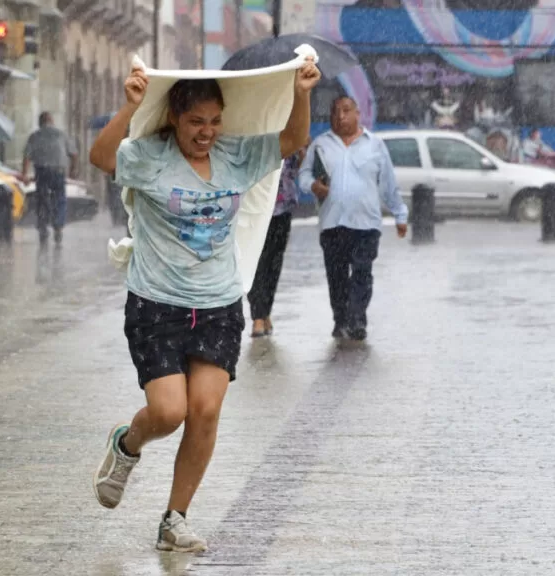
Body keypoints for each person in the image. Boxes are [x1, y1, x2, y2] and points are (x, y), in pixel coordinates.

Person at [87, 58, 320, 552]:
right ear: (175, 117)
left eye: (214, 121)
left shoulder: (236, 155)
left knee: (206, 411)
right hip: (157, 304)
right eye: (196, 121)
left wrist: (300, 92)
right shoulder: (149, 156)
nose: (207, 132)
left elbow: (292, 139)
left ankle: (175, 519)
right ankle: (127, 445)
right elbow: (101, 156)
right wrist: (128, 107)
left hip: (217, 305)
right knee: (169, 412)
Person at [299, 96, 408, 341]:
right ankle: (340, 320)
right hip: (332, 223)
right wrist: (312, 185)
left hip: (366, 224)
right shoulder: (321, 145)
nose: (340, 116)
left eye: (346, 110)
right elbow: (304, 175)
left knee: (362, 272)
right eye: (335, 111)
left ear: (358, 114)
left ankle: (357, 320)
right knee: (336, 276)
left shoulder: (376, 145)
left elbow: (389, 184)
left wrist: (400, 214)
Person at [247, 144, 306, 338]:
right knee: (255, 262)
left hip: (282, 208)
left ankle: (265, 312)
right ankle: (257, 316)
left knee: (274, 262)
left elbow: (299, 171)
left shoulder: (292, 136)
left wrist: (303, 149)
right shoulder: (255, 137)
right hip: (256, 209)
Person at [23, 112, 78, 245]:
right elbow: (74, 154)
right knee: (59, 198)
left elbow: (27, 156)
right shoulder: (61, 134)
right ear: (51, 121)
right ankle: (58, 226)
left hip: (42, 171)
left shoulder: (35, 136)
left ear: (40, 123)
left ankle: (43, 228)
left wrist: (24, 174)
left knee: (42, 199)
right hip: (58, 170)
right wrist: (73, 170)